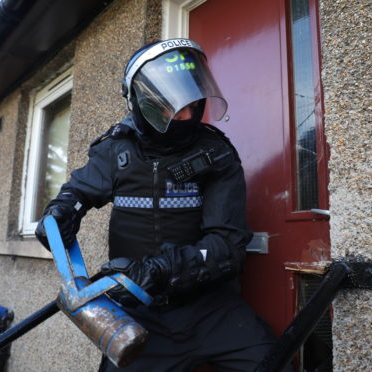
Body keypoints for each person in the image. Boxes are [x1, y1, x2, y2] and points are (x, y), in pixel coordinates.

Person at [35, 38, 276, 371]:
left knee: (273, 362)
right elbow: (77, 191)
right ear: (141, 103)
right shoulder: (115, 150)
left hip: (211, 308)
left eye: (192, 104)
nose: (187, 115)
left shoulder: (215, 154)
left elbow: (227, 246)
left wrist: (160, 270)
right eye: (171, 106)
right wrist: (60, 213)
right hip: (139, 315)